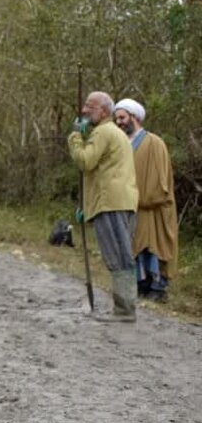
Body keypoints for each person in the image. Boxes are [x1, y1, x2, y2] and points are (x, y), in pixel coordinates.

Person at [68, 91, 139, 322]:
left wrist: (75, 137)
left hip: (110, 203)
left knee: (117, 256)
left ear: (104, 111)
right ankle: (125, 308)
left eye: (90, 107)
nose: (84, 111)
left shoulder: (103, 132)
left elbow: (86, 161)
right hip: (122, 200)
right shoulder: (115, 133)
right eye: (85, 106)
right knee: (122, 254)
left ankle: (124, 311)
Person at [113, 98, 178, 301]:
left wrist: (144, 197)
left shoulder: (154, 143)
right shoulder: (121, 144)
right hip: (129, 207)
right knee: (132, 246)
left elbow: (161, 179)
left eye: (122, 118)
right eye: (117, 119)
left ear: (135, 117)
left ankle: (157, 288)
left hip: (153, 207)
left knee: (153, 245)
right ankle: (140, 285)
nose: (119, 123)